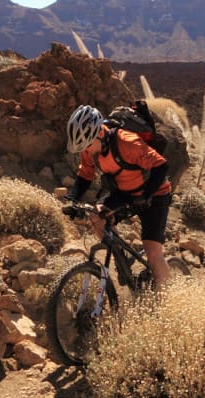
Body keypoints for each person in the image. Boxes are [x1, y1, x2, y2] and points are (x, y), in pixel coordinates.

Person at [63, 104, 173, 287]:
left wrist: (146, 196)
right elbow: (85, 175)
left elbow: (161, 166)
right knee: (97, 216)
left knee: (152, 250)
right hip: (123, 192)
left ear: (99, 133)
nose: (87, 151)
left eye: (88, 145)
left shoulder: (127, 142)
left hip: (154, 194)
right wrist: (72, 199)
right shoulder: (90, 147)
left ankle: (166, 300)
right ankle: (123, 260)